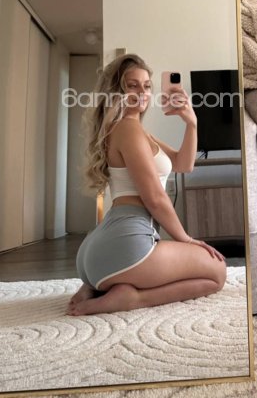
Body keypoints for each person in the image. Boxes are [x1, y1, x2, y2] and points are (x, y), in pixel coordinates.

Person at [66, 54, 226, 316]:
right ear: (116, 91)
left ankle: (97, 286)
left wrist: (191, 123)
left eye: (147, 86)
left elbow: (183, 164)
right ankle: (132, 297)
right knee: (217, 273)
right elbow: (154, 197)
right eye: (132, 85)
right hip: (125, 245)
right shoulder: (128, 130)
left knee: (208, 269)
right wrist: (187, 240)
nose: (142, 92)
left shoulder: (134, 130)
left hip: (98, 251)